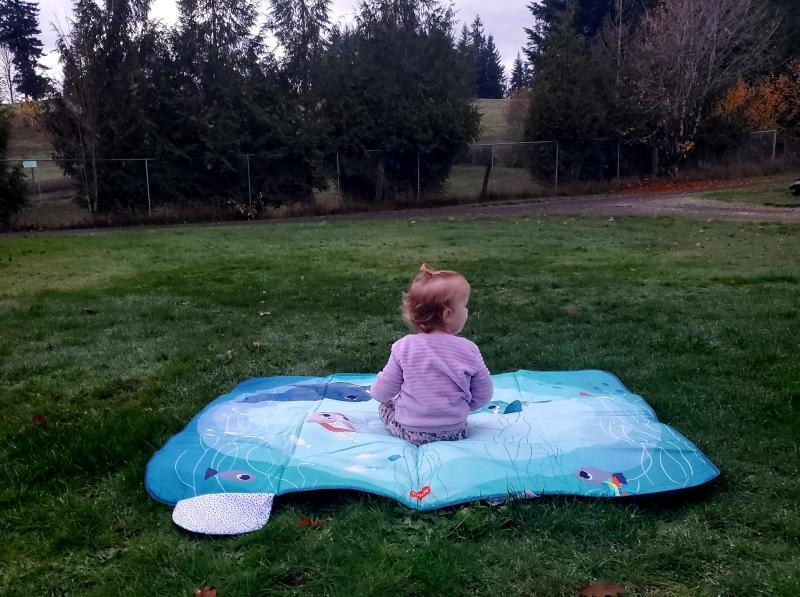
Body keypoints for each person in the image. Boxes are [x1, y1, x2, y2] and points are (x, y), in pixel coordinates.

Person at [370, 264, 493, 446]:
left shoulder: (404, 347)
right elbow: (484, 393)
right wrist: (461, 407)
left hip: (411, 431)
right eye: (465, 306)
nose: (467, 311)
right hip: (455, 431)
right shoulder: (469, 349)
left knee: (386, 406)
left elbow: (383, 391)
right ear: (448, 314)